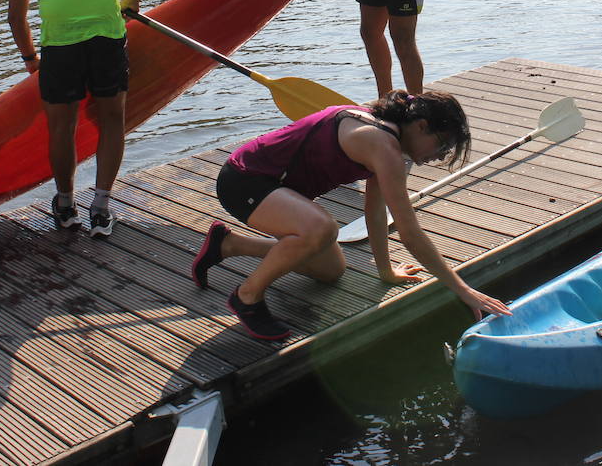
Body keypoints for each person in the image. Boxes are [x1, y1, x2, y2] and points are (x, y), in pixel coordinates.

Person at [191, 90, 512, 341]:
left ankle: (229, 245)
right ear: (421, 126)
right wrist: (464, 290)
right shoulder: (382, 144)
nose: (436, 157)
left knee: (330, 269)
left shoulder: (391, 139)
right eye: (440, 146)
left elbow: (375, 210)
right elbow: (410, 232)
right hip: (244, 180)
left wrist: (385, 272)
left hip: (275, 187)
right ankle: (247, 297)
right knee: (321, 229)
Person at [7, 0, 160, 238]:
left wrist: (31, 61)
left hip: (59, 46)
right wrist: (130, 4)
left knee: (62, 127)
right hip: (106, 39)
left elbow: (15, 17)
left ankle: (64, 205)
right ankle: (102, 208)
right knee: (111, 121)